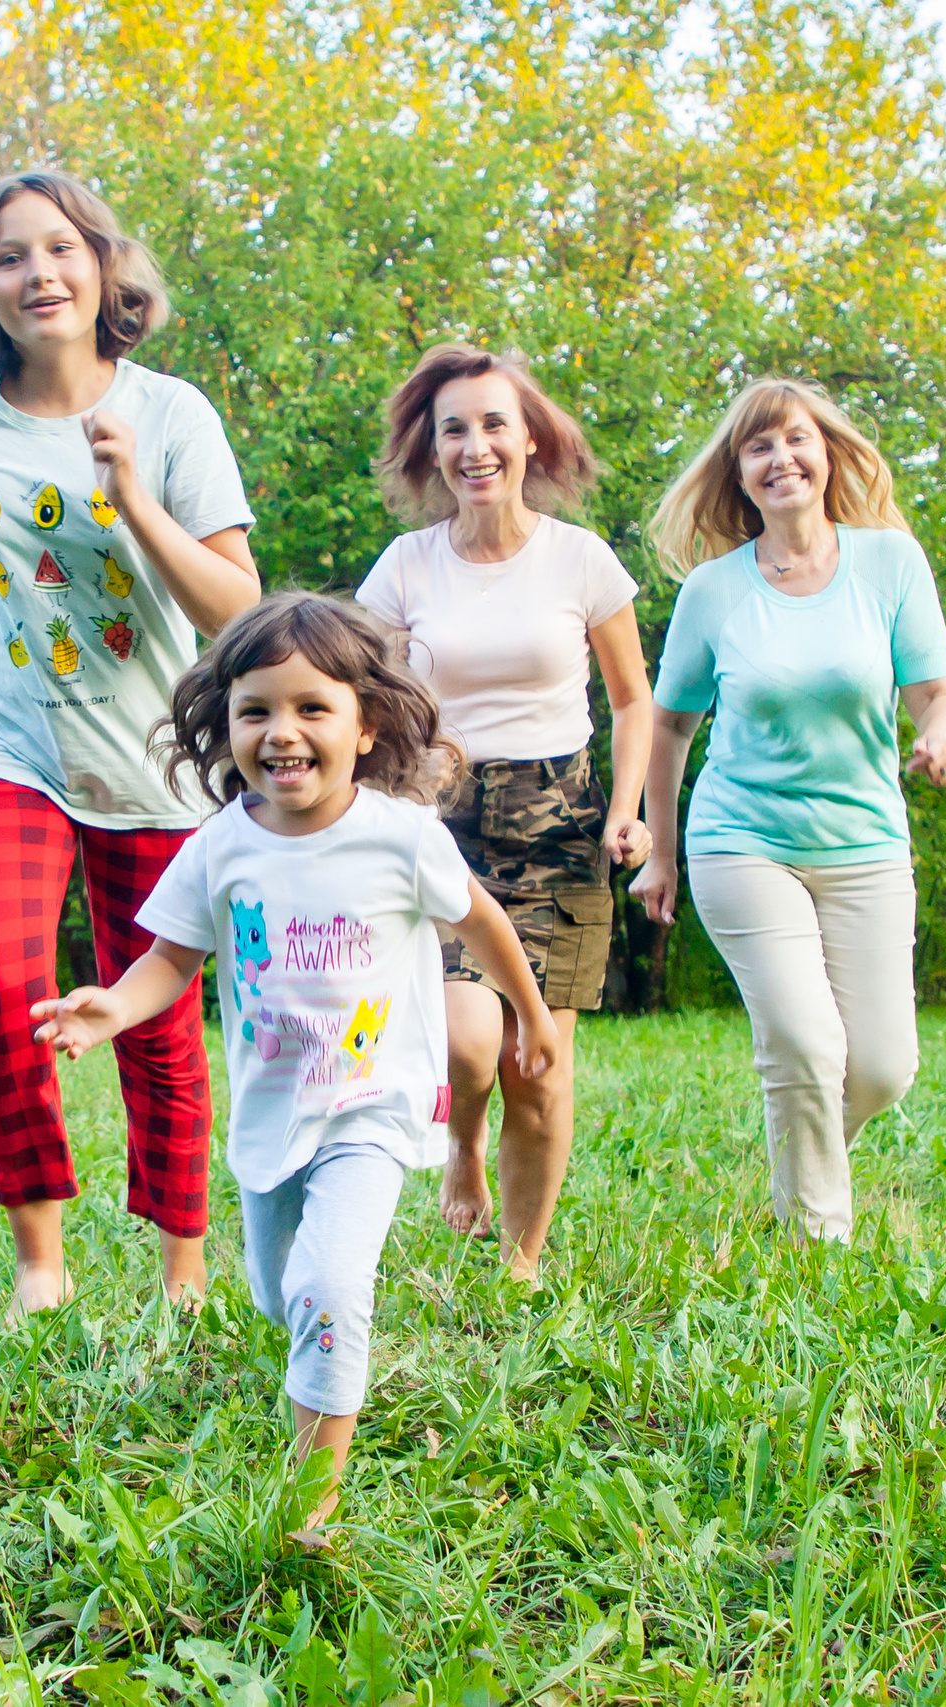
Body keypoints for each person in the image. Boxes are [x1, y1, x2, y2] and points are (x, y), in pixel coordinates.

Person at [33, 593, 555, 1535]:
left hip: (372, 1106)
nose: (283, 732)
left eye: (313, 707)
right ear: (225, 724)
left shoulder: (399, 837)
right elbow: (170, 961)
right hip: (271, 1118)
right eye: (256, 710)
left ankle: (313, 1500)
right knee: (279, 1293)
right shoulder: (219, 847)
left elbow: (480, 918)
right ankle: (318, 1350)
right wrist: (112, 1006)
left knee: (327, 1285)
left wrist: (530, 1012)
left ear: (365, 725)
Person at [0, 170, 261, 1321]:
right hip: (4, 742)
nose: (38, 273)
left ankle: (183, 1262)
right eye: (8, 255)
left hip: (151, 755)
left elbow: (238, 605)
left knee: (160, 1020)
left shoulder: (173, 415)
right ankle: (41, 1250)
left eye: (60, 248)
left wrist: (134, 497)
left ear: (101, 265)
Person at [630, 377, 946, 1242]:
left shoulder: (890, 561)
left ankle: (801, 1170)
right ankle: (817, 1248)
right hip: (743, 842)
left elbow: (939, 692)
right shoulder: (715, 590)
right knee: (806, 1044)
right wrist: (662, 854)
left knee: (886, 1066)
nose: (781, 458)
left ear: (828, 455)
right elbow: (668, 728)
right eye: (759, 447)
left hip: (866, 841)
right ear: (738, 475)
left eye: (796, 440)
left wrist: (941, 735)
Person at [355, 343, 652, 1285]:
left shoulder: (582, 561)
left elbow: (633, 699)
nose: (475, 444)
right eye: (454, 429)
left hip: (558, 820)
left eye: (494, 423)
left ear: (529, 437)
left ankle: (523, 1257)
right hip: (438, 821)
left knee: (540, 1057)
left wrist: (628, 813)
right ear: (432, 451)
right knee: (468, 1038)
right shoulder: (404, 568)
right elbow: (366, 693)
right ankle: (463, 1140)